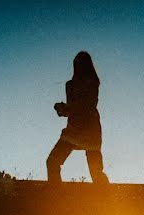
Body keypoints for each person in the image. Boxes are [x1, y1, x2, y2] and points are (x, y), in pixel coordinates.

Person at [46, 51, 110, 184]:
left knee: (95, 171)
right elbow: (76, 109)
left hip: (86, 129)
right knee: (53, 162)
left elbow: (86, 106)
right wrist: (63, 109)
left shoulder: (92, 82)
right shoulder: (71, 85)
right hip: (80, 130)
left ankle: (54, 193)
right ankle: (54, 194)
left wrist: (65, 109)